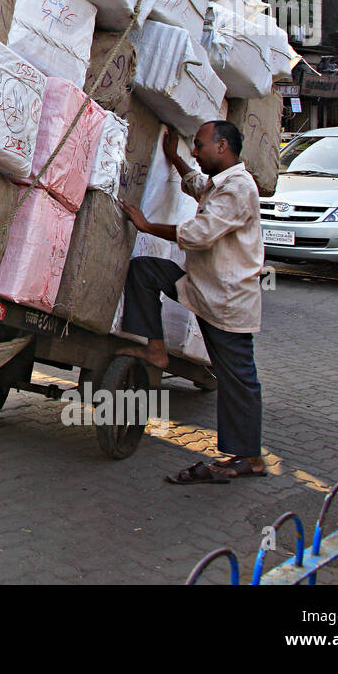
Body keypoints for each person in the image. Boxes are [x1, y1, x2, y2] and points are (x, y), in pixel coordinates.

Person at [118, 121, 266, 484]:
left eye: (199, 146)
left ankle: (250, 457)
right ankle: (156, 350)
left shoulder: (239, 190)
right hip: (201, 286)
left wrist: (146, 225)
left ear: (222, 147)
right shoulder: (221, 184)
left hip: (226, 300)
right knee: (143, 272)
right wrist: (176, 159)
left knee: (238, 378)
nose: (195, 152)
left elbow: (199, 235)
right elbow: (199, 186)